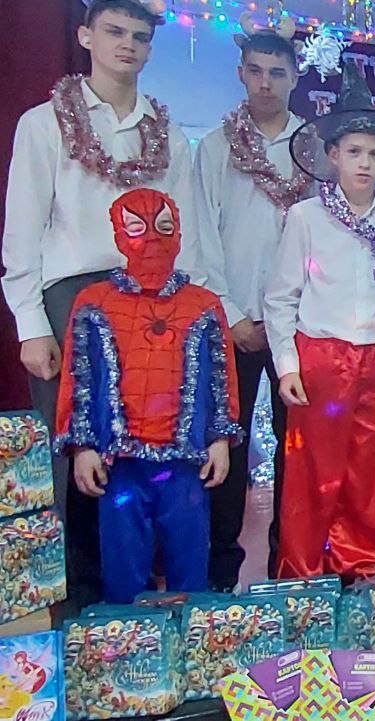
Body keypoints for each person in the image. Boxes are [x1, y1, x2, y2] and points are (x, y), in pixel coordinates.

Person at [1, 0, 200, 608]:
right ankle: (68, 599)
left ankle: (133, 596)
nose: (127, 45)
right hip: (72, 294)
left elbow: (185, 227)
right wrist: (31, 323)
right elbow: (23, 228)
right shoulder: (45, 123)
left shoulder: (166, 134)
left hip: (150, 299)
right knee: (72, 445)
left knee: (142, 447)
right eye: (114, 31)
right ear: (86, 35)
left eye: (140, 36)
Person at [263, 61, 375, 580]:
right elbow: (281, 299)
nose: (364, 163)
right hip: (322, 357)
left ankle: (360, 569)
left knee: (371, 474)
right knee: (313, 472)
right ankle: (304, 574)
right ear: (333, 154)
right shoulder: (306, 218)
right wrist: (287, 366)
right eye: (354, 152)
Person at [53, 188, 241, 604]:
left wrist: (219, 438)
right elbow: (78, 379)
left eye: (164, 227)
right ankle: (128, 637)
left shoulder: (203, 304)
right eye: (137, 228)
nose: (152, 239)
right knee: (123, 568)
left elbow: (221, 375)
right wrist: (82, 446)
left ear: (179, 233)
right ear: (119, 236)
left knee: (190, 564)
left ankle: (191, 636)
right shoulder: (94, 303)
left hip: (185, 463)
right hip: (120, 464)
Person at [195, 20, 309, 590]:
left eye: (277, 73)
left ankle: (290, 567)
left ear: (295, 78)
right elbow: (200, 236)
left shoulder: (314, 148)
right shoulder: (217, 147)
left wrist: (294, 320)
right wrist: (231, 313)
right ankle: (221, 574)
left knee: (298, 451)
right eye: (256, 71)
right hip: (232, 323)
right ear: (241, 74)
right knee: (227, 448)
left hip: (300, 327)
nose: (266, 83)